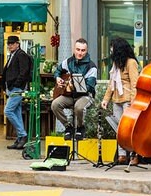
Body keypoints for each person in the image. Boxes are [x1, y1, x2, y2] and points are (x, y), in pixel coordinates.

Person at [100, 37, 140, 165]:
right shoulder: (116, 64)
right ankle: (122, 155)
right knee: (119, 129)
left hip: (127, 99)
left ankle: (134, 154)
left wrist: (134, 102)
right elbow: (111, 83)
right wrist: (106, 99)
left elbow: (135, 84)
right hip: (116, 100)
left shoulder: (131, 63)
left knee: (129, 129)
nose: (111, 50)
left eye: (113, 47)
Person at [52, 38, 97, 140]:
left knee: (79, 107)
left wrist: (74, 86)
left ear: (86, 51)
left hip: (85, 96)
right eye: (78, 49)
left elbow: (90, 87)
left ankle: (80, 128)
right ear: (74, 49)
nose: (80, 53)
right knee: (55, 104)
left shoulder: (92, 66)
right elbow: (57, 71)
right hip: (70, 95)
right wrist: (58, 78)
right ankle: (68, 127)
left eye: (83, 50)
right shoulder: (68, 62)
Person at [2, 35, 31, 150]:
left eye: (12, 43)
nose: (10, 45)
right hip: (13, 88)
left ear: (17, 44)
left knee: (8, 111)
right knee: (17, 112)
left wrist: (16, 85)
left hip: (17, 88)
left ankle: (23, 135)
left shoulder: (21, 55)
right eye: (8, 44)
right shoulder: (14, 55)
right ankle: (19, 139)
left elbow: (24, 72)